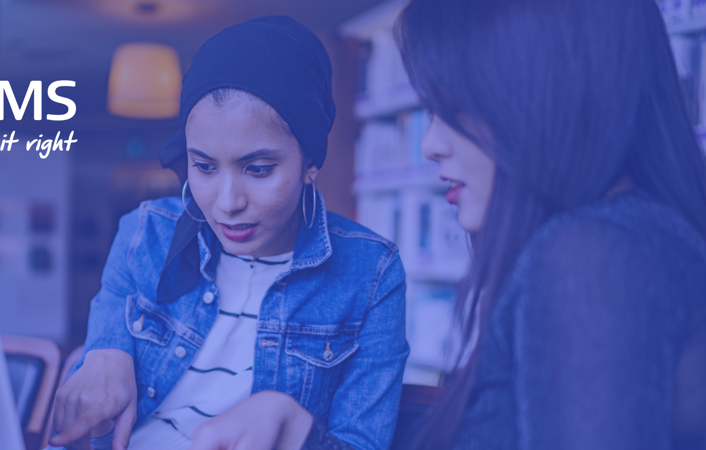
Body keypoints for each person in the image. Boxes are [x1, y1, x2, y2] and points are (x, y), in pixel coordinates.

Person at [48, 16, 409, 450]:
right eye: (203, 166)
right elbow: (99, 359)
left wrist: (295, 429)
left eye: (258, 169)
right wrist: (102, 354)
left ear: (310, 163)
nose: (226, 202)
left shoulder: (372, 273)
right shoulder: (146, 232)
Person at [394, 0, 706, 449]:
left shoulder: (592, 255)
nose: (431, 144)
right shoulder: (634, 238)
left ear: (545, 93)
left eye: (456, 108)